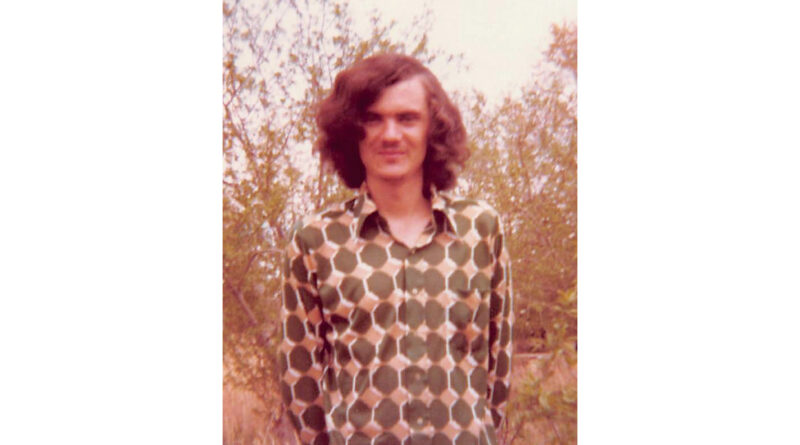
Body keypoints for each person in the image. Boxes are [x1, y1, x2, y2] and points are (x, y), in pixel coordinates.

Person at [280, 53, 513, 445]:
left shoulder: (480, 230)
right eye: (373, 119)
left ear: (432, 129)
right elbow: (300, 378)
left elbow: (498, 369)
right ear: (350, 132)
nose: (390, 135)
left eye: (407, 118)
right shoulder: (316, 240)